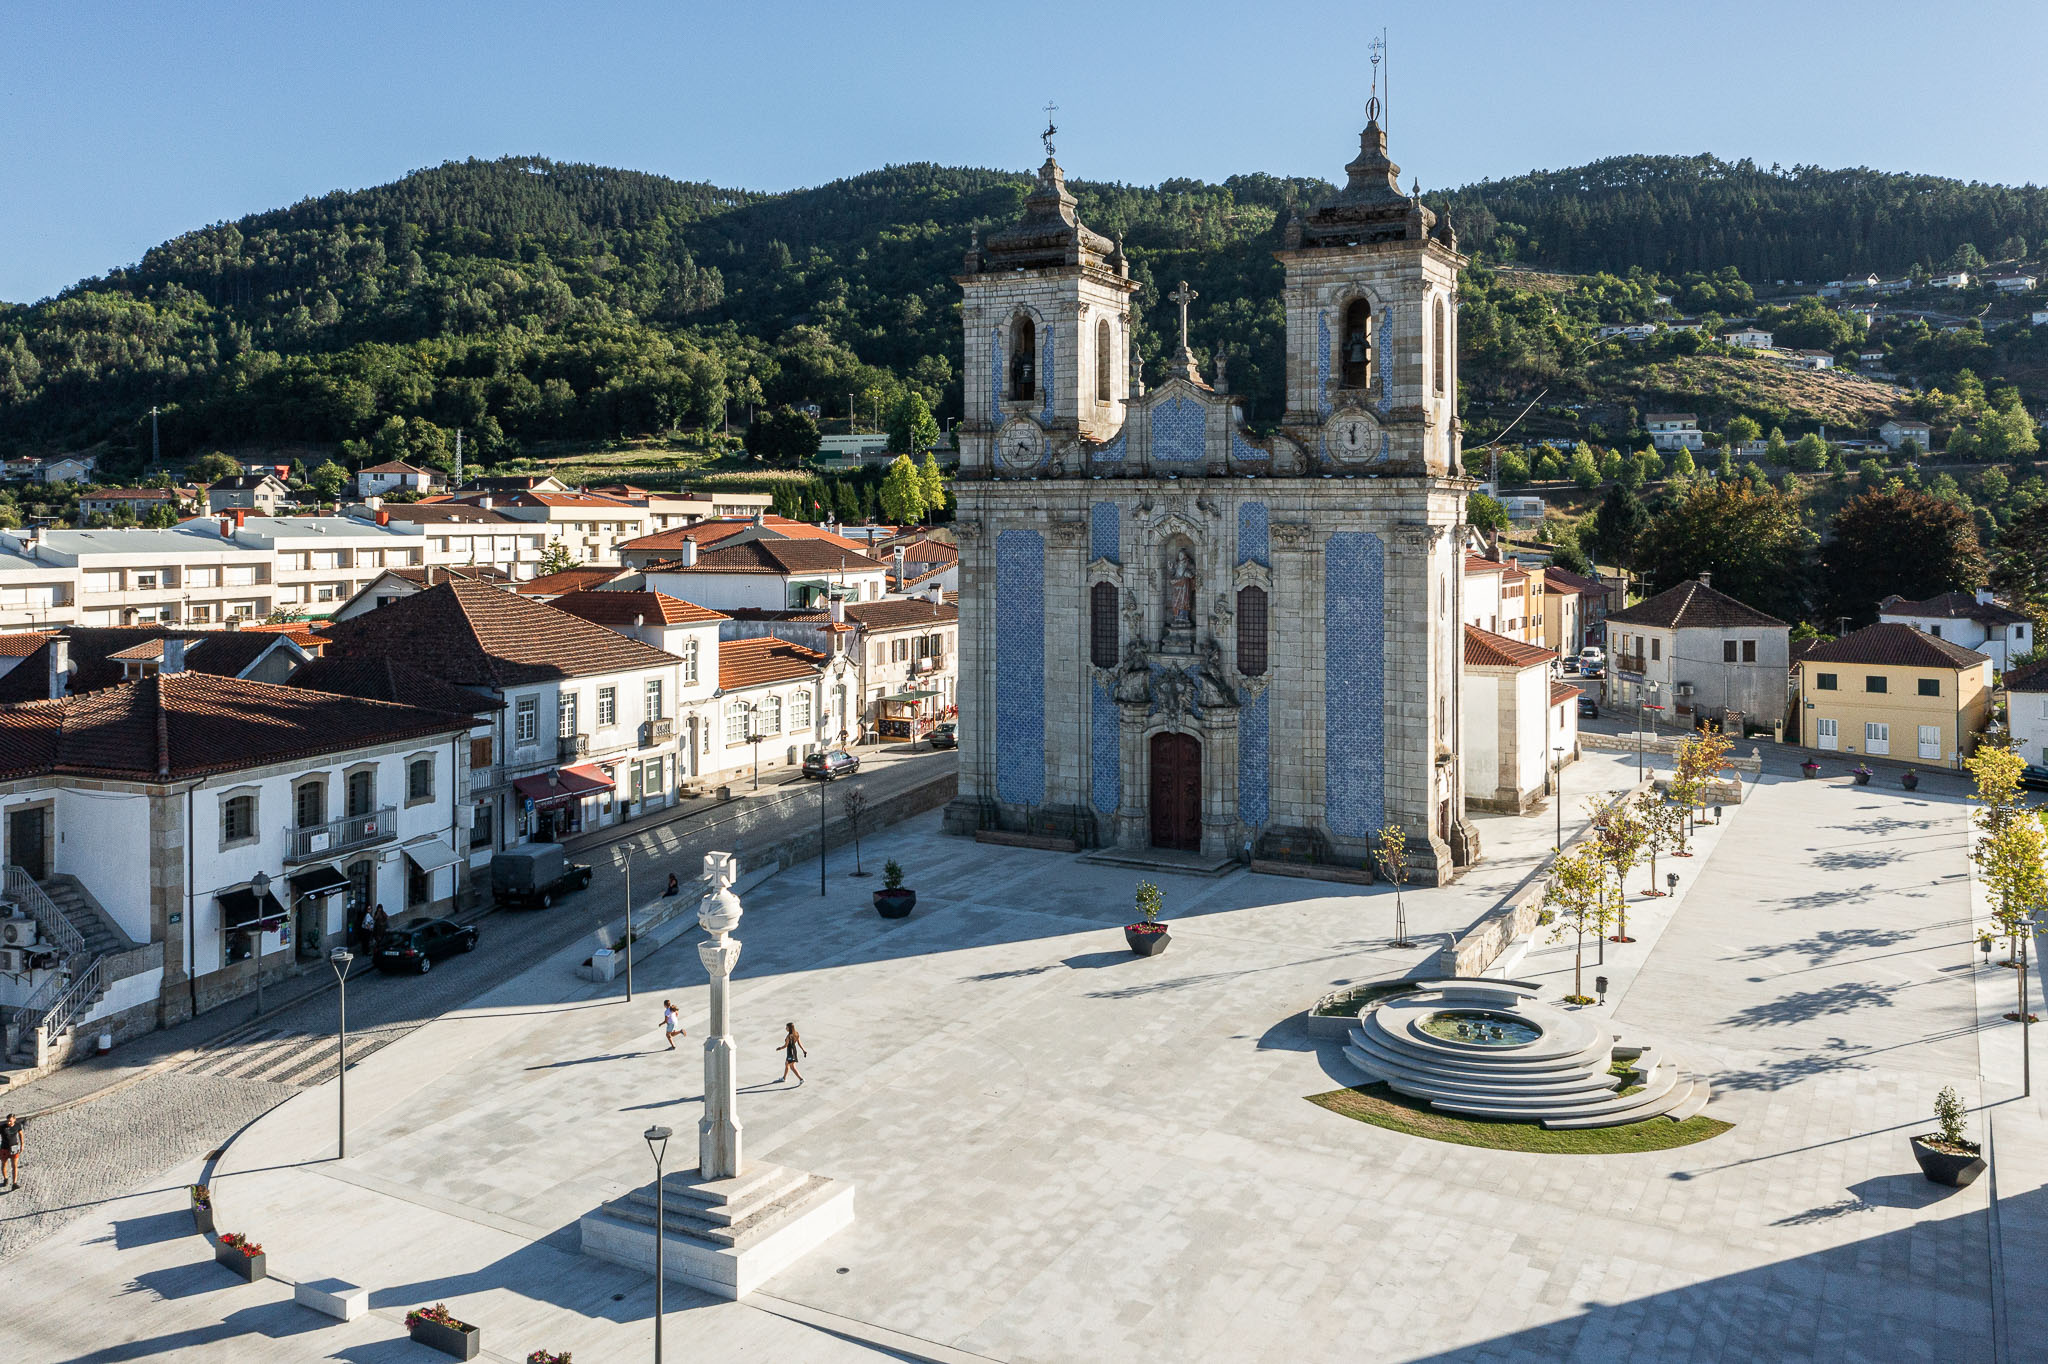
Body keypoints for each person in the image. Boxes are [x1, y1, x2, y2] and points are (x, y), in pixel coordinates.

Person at [0, 1112, 22, 1191]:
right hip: (4, 1149)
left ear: (14, 1120)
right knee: (4, 1164)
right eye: (7, 1121)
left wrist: (22, 1145)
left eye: (10, 1121)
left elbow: (20, 1135)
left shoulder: (17, 1126)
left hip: (14, 1148)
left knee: (14, 1166)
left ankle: (14, 1183)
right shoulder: (2, 1127)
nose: (8, 1122)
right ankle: (5, 1178)